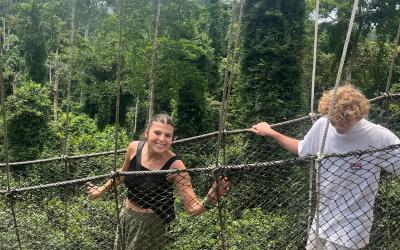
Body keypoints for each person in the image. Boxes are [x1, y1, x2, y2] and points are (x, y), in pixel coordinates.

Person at [248, 84, 400, 249]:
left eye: (342, 122)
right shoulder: (324, 124)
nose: (337, 127)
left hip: (352, 225)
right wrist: (271, 132)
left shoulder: (379, 137)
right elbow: (302, 149)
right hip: (322, 218)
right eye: (333, 122)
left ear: (358, 115)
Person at [86, 113, 230, 250]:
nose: (162, 139)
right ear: (147, 133)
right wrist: (101, 190)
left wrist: (210, 199)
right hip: (125, 216)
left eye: (168, 135)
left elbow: (192, 208)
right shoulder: (134, 148)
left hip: (150, 226)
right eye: (157, 133)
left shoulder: (176, 166)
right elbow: (122, 175)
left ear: (172, 139)